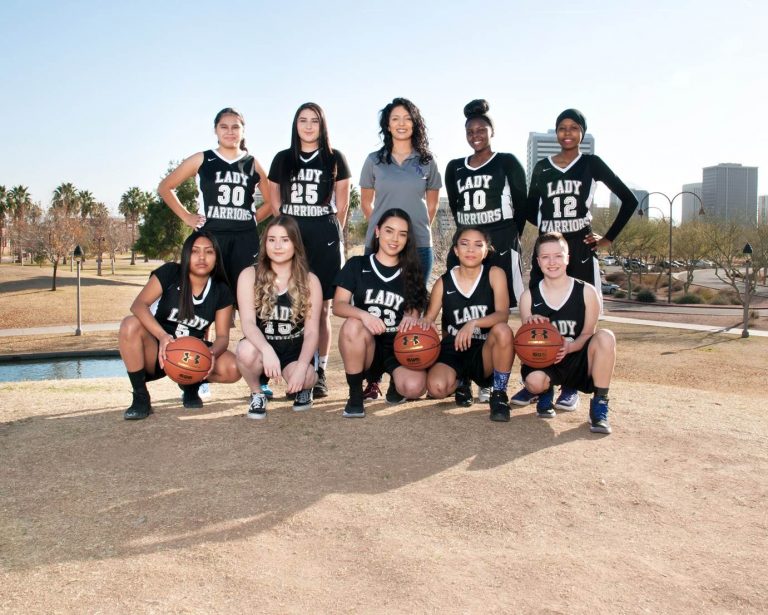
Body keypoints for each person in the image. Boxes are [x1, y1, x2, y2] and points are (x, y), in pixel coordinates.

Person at [514, 108, 636, 412]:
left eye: (573, 127)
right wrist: (549, 224)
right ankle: (541, 378)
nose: (567, 133)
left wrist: (607, 239)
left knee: (580, 316)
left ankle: (571, 386)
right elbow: (529, 208)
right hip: (548, 246)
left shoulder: (591, 164)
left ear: (582, 132)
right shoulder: (542, 167)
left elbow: (629, 199)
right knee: (540, 312)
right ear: (556, 132)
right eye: (562, 128)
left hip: (580, 249)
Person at [159, 107, 272, 400]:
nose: (230, 132)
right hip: (211, 242)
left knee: (251, 307)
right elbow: (165, 187)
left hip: (245, 242)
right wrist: (187, 217)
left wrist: (252, 219)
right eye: (224, 126)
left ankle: (259, 376)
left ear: (243, 131)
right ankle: (197, 372)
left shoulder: (253, 162)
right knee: (205, 306)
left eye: (236, 127)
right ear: (215, 130)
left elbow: (273, 201)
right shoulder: (203, 159)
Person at [444, 99, 527, 404]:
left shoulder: (507, 162)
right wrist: (468, 239)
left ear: (492, 131)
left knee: (498, 311)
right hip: (467, 245)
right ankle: (463, 374)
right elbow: (457, 209)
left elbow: (522, 206)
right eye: (470, 131)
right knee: (460, 309)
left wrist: (507, 237)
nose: (475, 135)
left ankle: (491, 378)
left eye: (481, 129)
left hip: (501, 244)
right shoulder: (454, 167)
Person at [359, 97, 441, 401]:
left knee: (408, 311)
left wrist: (408, 236)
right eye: (395, 118)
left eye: (407, 118)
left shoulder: (427, 161)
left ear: (415, 123)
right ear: (387, 124)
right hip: (380, 246)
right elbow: (366, 203)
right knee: (376, 309)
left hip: (418, 246)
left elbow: (431, 207)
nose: (401, 123)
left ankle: (400, 372)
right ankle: (372, 379)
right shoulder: (374, 160)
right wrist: (386, 234)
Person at [268, 103, 351, 400]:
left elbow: (342, 206)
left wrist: (328, 233)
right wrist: (287, 232)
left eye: (314, 121)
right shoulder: (283, 159)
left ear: (322, 125)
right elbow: (274, 202)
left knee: (322, 309)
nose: (308, 126)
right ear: (295, 124)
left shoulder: (335, 158)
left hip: (324, 237)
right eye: (302, 120)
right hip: (293, 237)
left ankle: (320, 372)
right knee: (292, 305)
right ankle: (292, 368)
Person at [119, 231, 241, 420]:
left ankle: (191, 384)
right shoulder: (170, 273)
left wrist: (211, 354)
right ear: (186, 254)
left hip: (193, 354)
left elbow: (223, 337)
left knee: (233, 367)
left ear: (216, 258)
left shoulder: (221, 290)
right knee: (129, 324)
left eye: (209, 252)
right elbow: (138, 305)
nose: (202, 257)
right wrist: (162, 336)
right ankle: (140, 397)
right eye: (195, 251)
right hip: (158, 349)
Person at [517, 232, 616, 434]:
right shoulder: (528, 297)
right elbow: (525, 343)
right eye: (545, 257)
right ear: (538, 261)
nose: (552, 262)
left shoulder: (587, 292)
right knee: (534, 382)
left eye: (558, 255)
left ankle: (599, 404)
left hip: (576, 358)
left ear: (567, 258)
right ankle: (545, 391)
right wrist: (531, 324)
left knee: (606, 337)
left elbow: (587, 334)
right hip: (544, 361)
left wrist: (571, 347)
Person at [333, 209, 428, 418]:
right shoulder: (357, 265)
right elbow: (338, 305)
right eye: (389, 231)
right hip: (367, 345)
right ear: (377, 232)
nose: (395, 239)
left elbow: (417, 307)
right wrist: (364, 315)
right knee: (352, 324)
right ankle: (355, 395)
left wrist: (412, 315)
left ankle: (396, 382)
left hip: (398, 345)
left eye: (402, 234)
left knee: (415, 387)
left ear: (407, 239)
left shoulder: (411, 271)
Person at [422, 227, 515, 422]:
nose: (471, 250)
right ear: (456, 250)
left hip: (483, 349)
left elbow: (503, 315)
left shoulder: (495, 274)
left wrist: (474, 323)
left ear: (486, 251)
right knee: (436, 388)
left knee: (503, 330)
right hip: (454, 349)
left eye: (478, 245)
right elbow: (428, 319)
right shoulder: (443, 282)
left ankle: (499, 393)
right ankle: (461, 381)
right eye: (464, 244)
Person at [236, 216, 322, 419]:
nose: (277, 246)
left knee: (307, 376)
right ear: (264, 243)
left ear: (295, 243)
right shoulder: (249, 275)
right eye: (271, 239)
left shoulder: (310, 280)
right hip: (262, 346)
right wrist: (267, 350)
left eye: (285, 240)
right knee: (244, 351)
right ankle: (257, 394)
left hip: (294, 350)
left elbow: (312, 332)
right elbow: (248, 323)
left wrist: (302, 367)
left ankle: (304, 389)